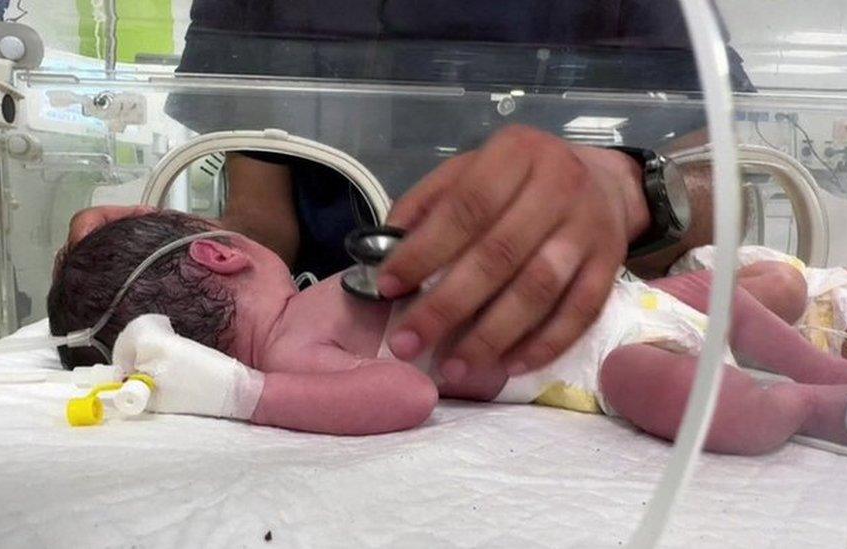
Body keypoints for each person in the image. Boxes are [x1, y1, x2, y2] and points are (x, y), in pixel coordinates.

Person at [70, 1, 757, 382]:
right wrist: (169, 255)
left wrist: (631, 188)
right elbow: (260, 216)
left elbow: (726, 188)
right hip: (359, 335)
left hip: (568, 317)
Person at [49, 212, 847, 454]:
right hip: (604, 352)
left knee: (721, 297)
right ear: (222, 253)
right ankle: (826, 403)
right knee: (702, 392)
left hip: (622, 298)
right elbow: (409, 390)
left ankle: (819, 379)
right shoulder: (288, 349)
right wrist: (248, 393)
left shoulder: (311, 310)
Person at [669, 245, 847, 359]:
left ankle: (654, 311)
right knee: (783, 289)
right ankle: (650, 298)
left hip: (806, 353)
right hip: (807, 291)